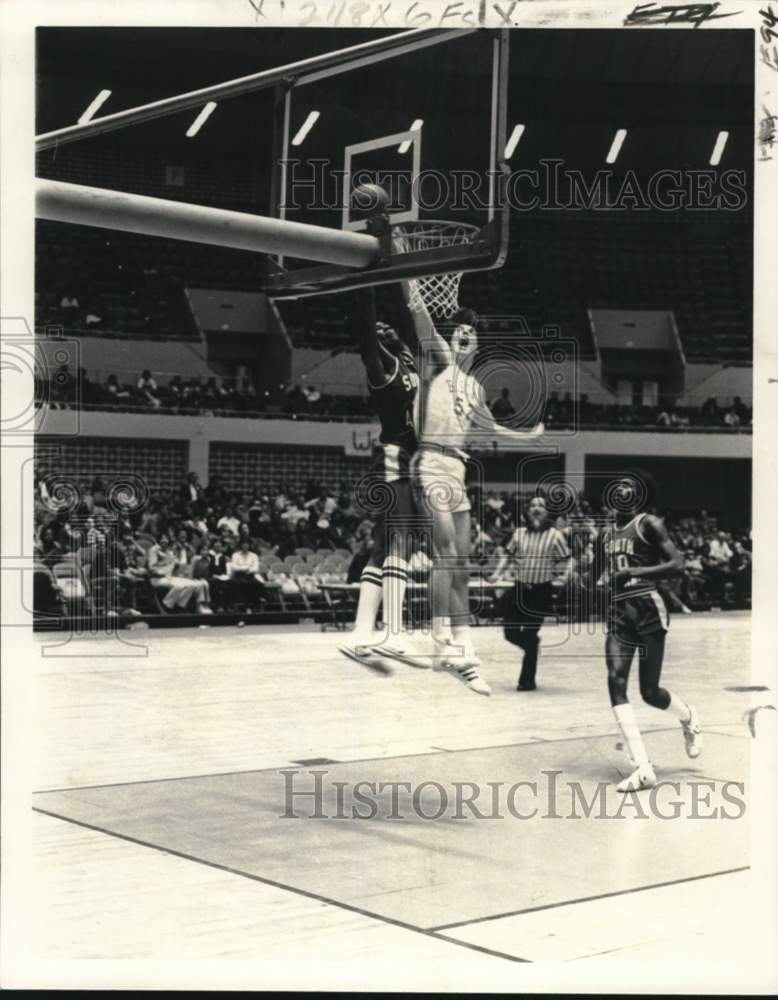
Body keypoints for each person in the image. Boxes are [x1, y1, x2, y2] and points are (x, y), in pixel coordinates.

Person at [408, 294, 545, 694]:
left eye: (471, 332)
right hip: (430, 462)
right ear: (450, 340)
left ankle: (463, 644)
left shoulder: (476, 387)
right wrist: (413, 287)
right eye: (459, 332)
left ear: (477, 344)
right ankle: (439, 642)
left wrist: (527, 436)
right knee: (445, 556)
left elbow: (491, 431)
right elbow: (422, 319)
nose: (464, 336)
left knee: (463, 565)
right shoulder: (437, 362)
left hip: (458, 469)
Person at [597, 469, 702, 793]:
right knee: (615, 679)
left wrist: (633, 570)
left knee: (650, 693)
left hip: (647, 608)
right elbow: (597, 574)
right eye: (619, 484)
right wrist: (595, 578)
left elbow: (677, 564)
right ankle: (643, 768)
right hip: (618, 612)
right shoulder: (605, 534)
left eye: (630, 485)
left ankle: (688, 717)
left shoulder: (649, 524)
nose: (623, 488)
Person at [339, 286, 421, 666]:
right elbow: (366, 343)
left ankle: (360, 634)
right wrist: (366, 295)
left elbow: (404, 329)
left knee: (382, 547)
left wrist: (396, 330)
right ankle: (394, 632)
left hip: (406, 461)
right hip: (393, 458)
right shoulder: (381, 371)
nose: (384, 329)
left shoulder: (406, 359)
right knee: (400, 540)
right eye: (378, 329)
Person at [491, 496, 572, 690]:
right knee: (509, 632)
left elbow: (568, 559)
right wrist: (497, 573)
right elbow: (508, 557)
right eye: (533, 505)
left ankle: (527, 681)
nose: (536, 508)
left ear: (547, 513)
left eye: (541, 506)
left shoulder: (556, 535)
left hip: (540, 592)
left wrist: (565, 576)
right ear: (527, 511)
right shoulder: (518, 533)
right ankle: (532, 645)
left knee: (529, 632)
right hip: (519, 589)